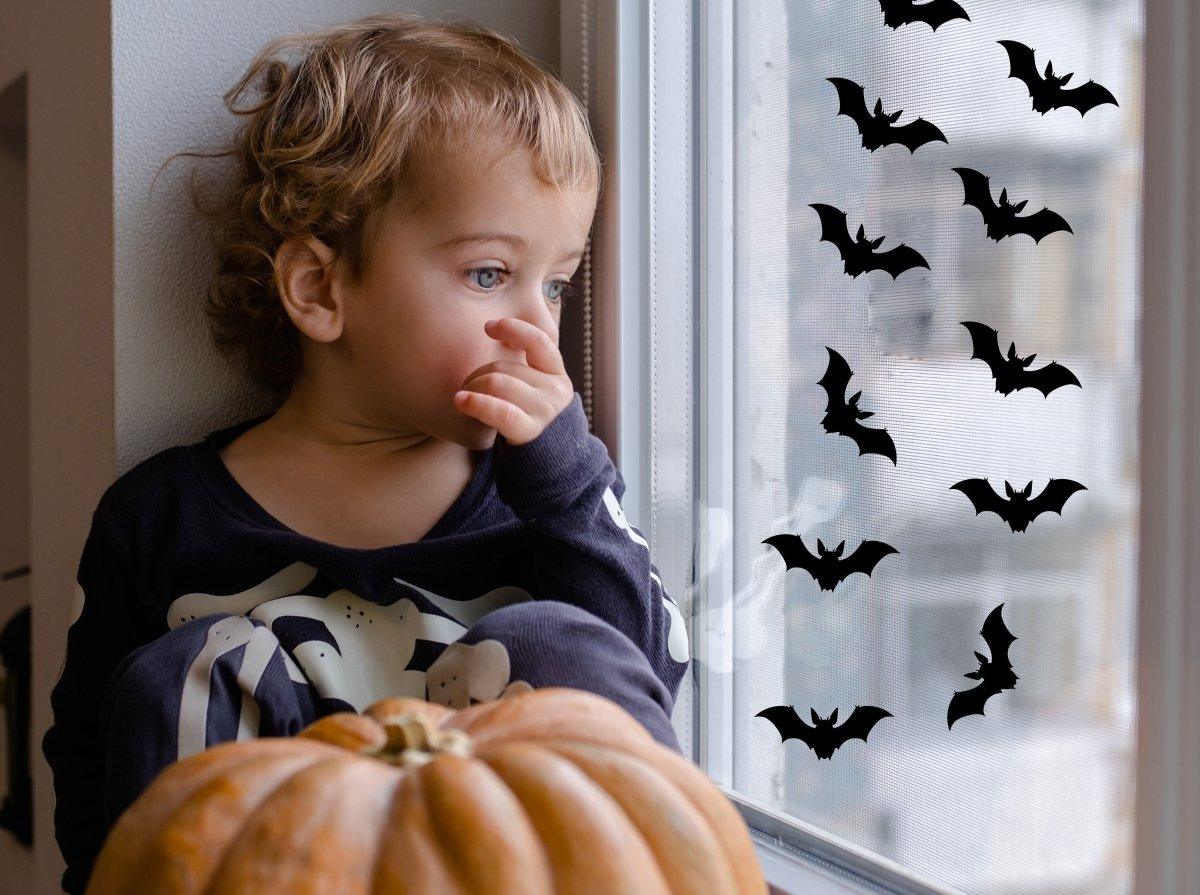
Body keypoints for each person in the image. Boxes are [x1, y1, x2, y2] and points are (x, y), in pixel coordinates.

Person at [40, 13, 690, 894]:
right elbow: (88, 759)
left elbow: (643, 689)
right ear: (321, 288)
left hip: (506, 868)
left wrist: (571, 481)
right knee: (190, 669)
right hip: (282, 870)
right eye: (490, 275)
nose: (541, 328)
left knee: (555, 637)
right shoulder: (160, 517)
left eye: (558, 282)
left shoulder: (548, 497)